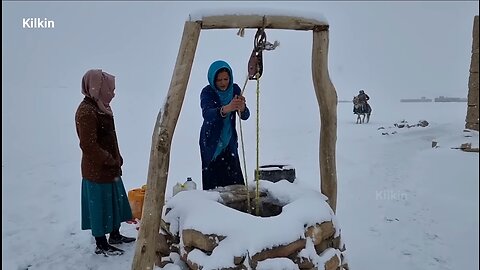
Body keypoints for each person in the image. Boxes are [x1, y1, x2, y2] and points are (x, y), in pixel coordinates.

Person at [75, 69, 135, 256]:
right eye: (110, 88)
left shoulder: (100, 106)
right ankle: (101, 243)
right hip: (97, 170)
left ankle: (115, 235)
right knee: (100, 206)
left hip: (110, 167)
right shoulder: (86, 111)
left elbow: (109, 137)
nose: (113, 93)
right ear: (98, 88)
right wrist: (108, 159)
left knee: (113, 203)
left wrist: (117, 156)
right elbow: (88, 145)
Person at [199, 60, 250, 190]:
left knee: (235, 183)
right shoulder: (207, 92)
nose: (223, 83)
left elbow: (245, 115)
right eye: (219, 80)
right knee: (214, 187)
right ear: (213, 80)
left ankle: (236, 209)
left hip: (229, 141)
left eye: (226, 79)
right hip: (211, 143)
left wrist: (242, 108)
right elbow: (208, 114)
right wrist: (226, 108)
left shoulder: (235, 90)